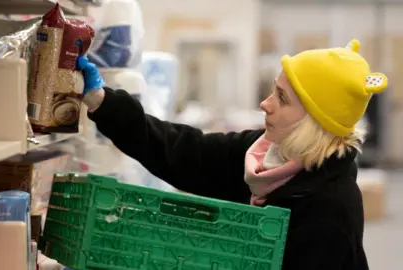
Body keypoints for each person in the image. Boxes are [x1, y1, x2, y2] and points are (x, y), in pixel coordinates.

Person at [76, 39, 387, 270]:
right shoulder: (265, 155)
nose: (265, 103)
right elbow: (186, 151)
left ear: (313, 123)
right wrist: (104, 103)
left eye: (281, 98)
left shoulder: (329, 212)